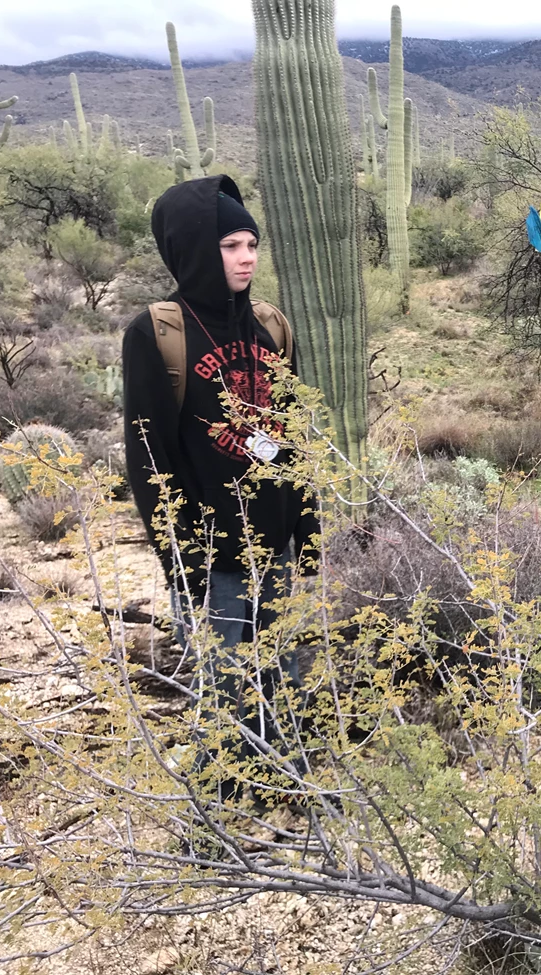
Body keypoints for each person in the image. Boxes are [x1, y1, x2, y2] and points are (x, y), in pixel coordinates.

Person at [122, 175, 319, 805]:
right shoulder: (157, 333)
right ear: (192, 251)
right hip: (211, 549)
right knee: (220, 682)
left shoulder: (270, 326)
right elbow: (148, 456)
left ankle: (285, 787)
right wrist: (181, 560)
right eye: (230, 245)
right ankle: (211, 814)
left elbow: (294, 435)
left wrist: (307, 530)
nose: (246, 257)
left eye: (251, 244)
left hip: (276, 540)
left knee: (283, 672)